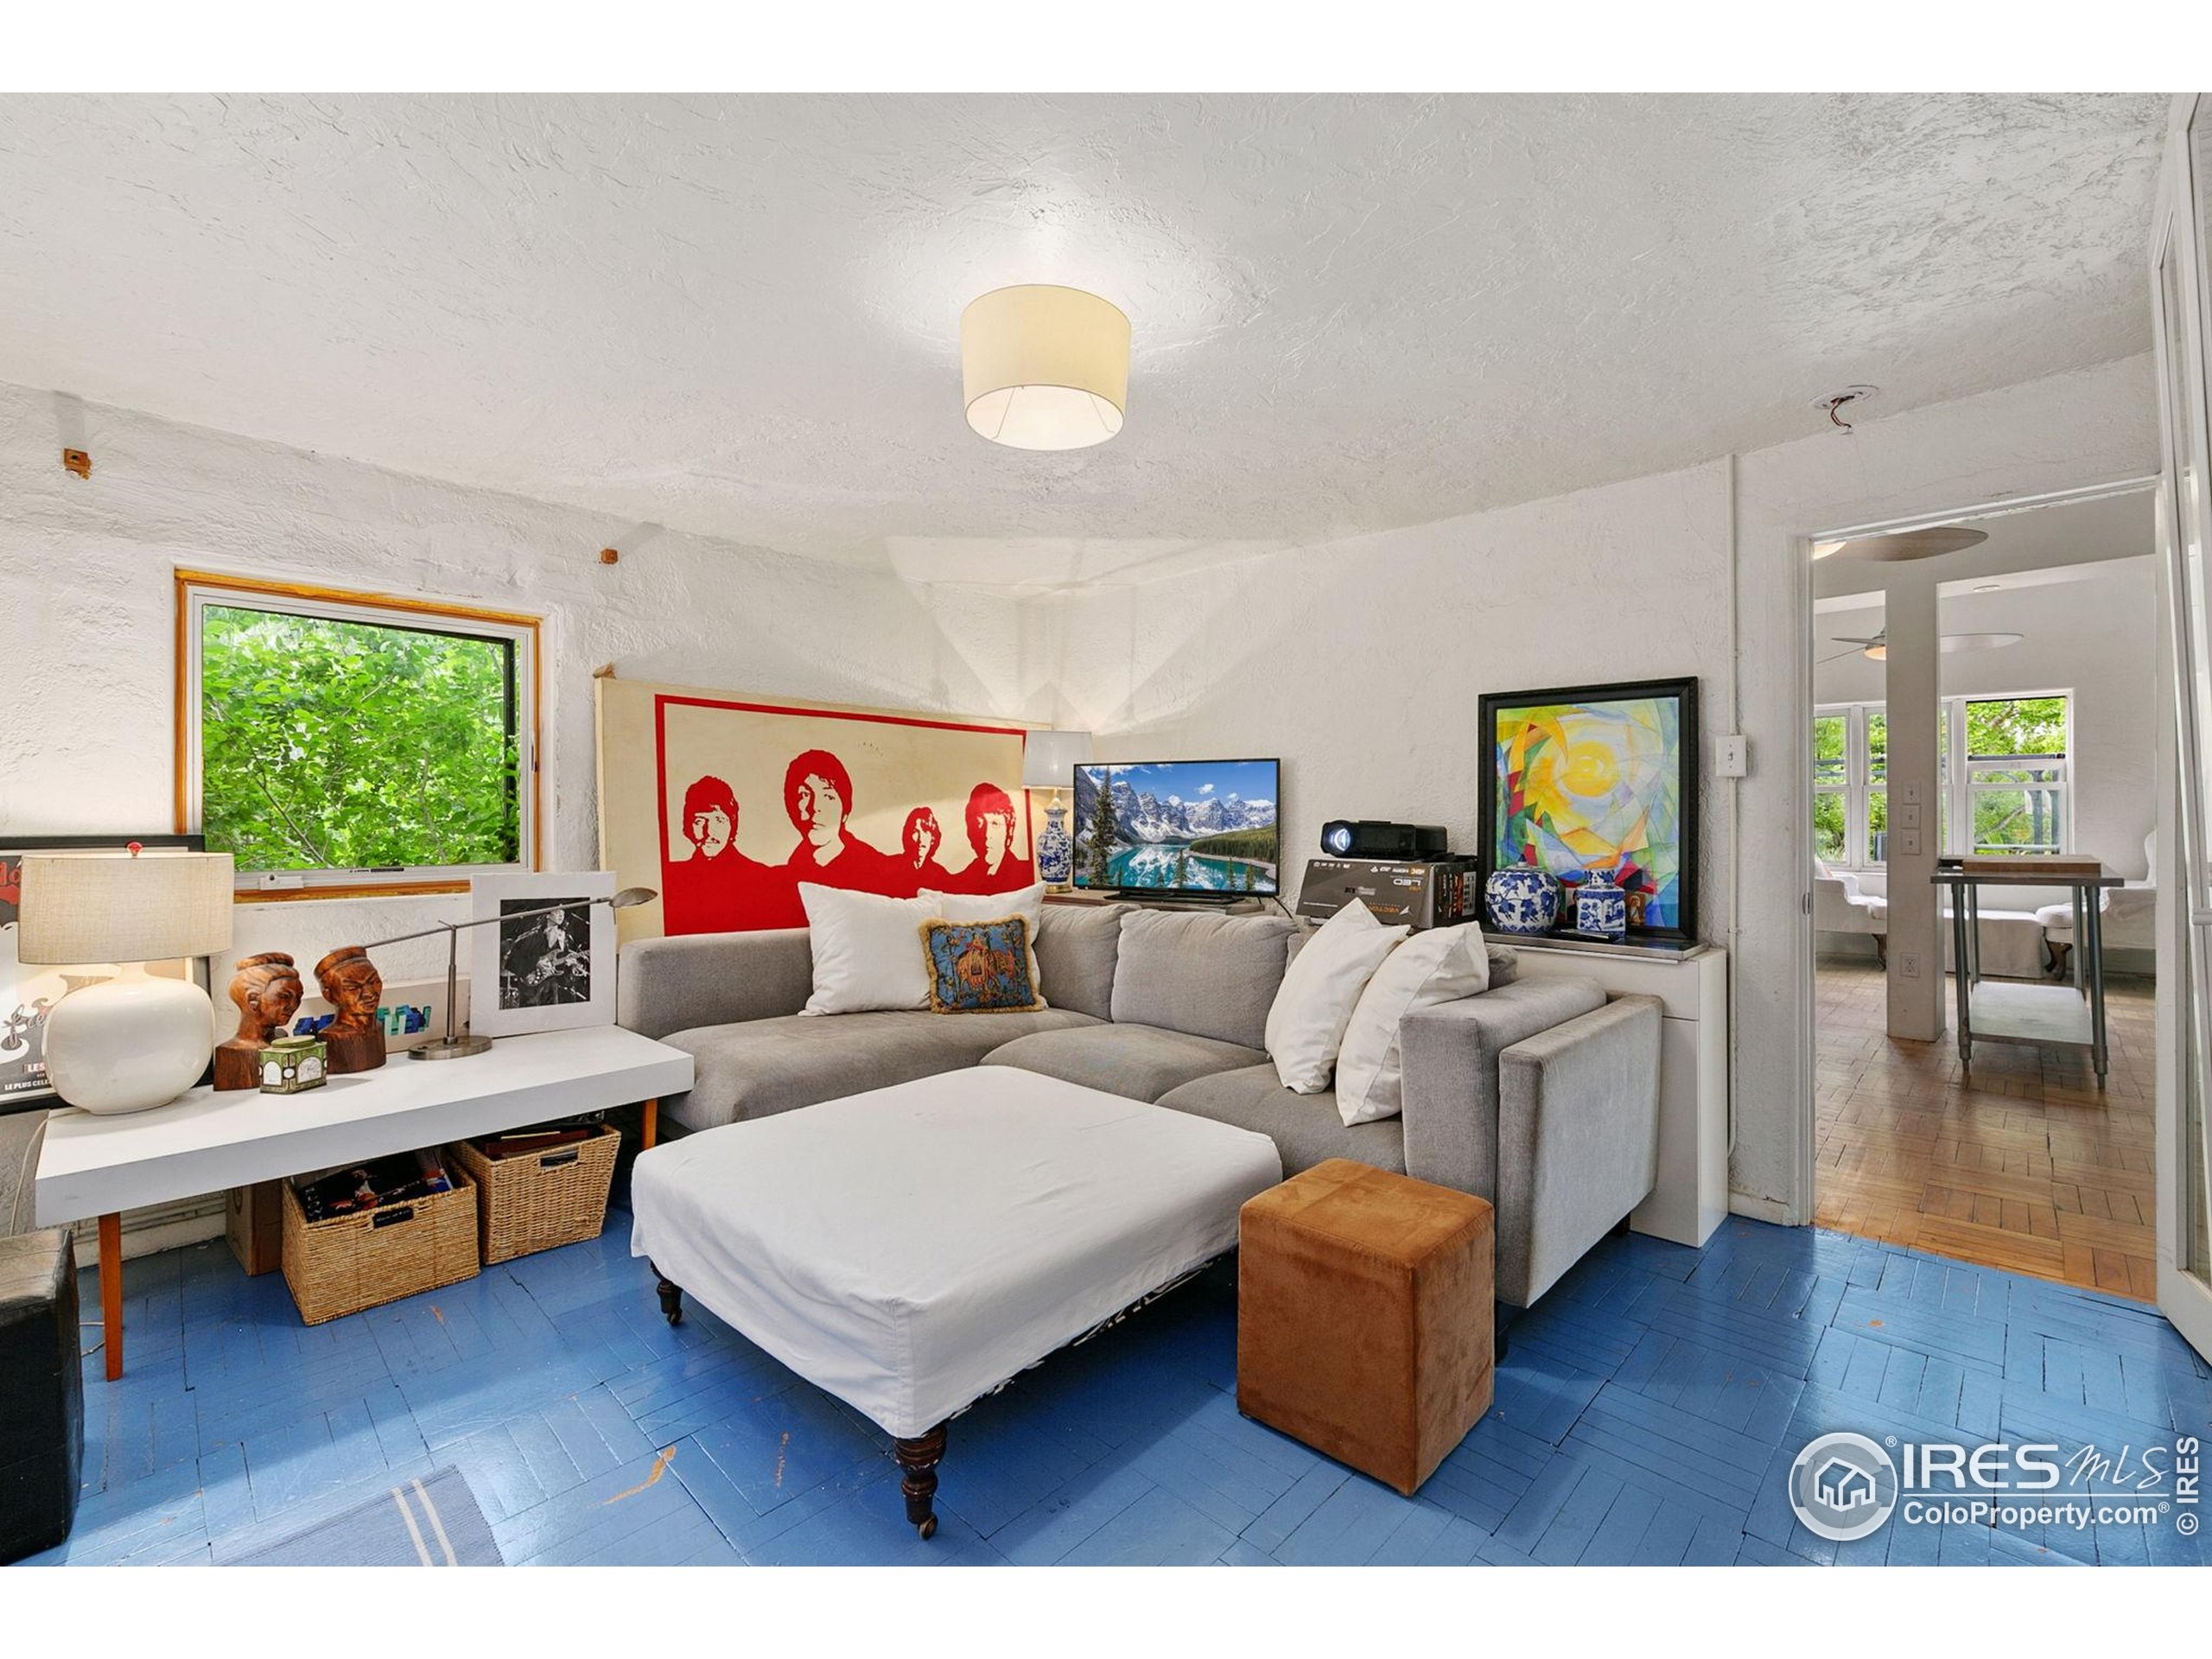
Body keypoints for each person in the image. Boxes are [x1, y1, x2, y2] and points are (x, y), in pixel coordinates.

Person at [663, 774, 799, 931]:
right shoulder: (675, 879)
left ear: (732, 824)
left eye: (718, 820)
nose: (709, 831)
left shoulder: (760, 878)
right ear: (688, 826)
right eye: (699, 821)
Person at [782, 749, 898, 894]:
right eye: (805, 794)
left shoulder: (874, 867)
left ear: (845, 812)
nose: (815, 808)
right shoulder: (791, 872)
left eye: (828, 797)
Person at [947, 780, 1033, 893]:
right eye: (979, 824)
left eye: (995, 824)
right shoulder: (963, 880)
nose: (987, 835)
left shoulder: (1025, 875)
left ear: (1009, 830)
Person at [897, 806, 958, 895]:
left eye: (925, 831)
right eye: (915, 831)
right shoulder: (894, 867)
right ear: (908, 835)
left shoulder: (941, 875)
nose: (921, 838)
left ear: (933, 838)